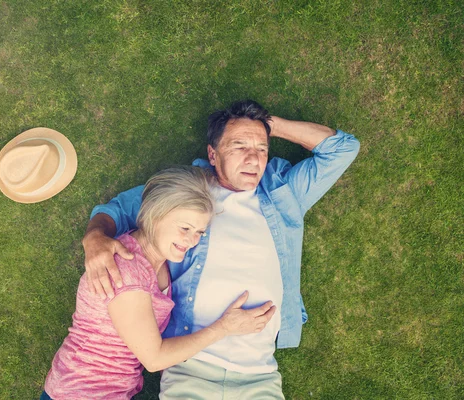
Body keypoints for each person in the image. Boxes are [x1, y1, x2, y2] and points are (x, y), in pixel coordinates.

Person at [82, 100, 360, 398]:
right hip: (190, 366)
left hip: (259, 372)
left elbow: (343, 149)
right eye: (240, 146)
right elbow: (116, 211)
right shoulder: (185, 190)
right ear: (213, 154)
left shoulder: (284, 191)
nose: (253, 159)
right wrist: (95, 237)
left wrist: (269, 126)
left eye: (262, 149)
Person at [42, 166, 276, 400]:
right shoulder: (128, 273)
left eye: (199, 232)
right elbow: (155, 359)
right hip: (79, 392)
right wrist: (225, 327)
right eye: (184, 228)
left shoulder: (157, 260)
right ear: (155, 215)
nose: (191, 240)